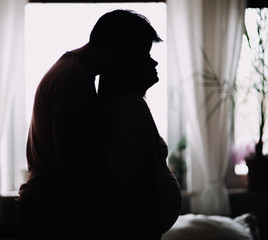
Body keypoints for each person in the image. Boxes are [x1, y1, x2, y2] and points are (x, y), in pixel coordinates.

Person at [17, 9, 162, 239]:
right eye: (138, 57)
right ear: (119, 50)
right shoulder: (72, 79)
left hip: (51, 208)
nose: (139, 64)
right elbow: (72, 166)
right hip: (51, 213)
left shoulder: (76, 73)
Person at [98, 50, 182, 239]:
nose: (155, 63)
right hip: (137, 225)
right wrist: (141, 209)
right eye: (145, 57)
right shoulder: (128, 105)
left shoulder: (132, 104)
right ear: (127, 67)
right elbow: (118, 162)